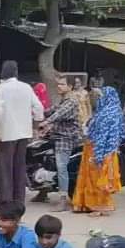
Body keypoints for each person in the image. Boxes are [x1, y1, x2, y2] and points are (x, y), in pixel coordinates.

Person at [0, 61, 45, 206]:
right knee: (19, 167)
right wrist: (36, 124)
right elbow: (38, 107)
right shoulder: (26, 87)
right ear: (16, 72)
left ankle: (5, 203)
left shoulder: (1, 88)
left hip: (7, 134)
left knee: (4, 169)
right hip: (24, 134)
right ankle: (19, 202)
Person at [72, 86, 125, 216]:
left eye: (100, 97)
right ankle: (92, 205)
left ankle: (99, 207)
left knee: (96, 179)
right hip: (107, 151)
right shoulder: (115, 112)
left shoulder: (105, 115)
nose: (97, 99)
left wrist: (98, 155)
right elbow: (121, 134)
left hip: (98, 150)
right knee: (98, 178)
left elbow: (102, 137)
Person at [37, 76, 83, 210]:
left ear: (70, 87)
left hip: (65, 139)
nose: (59, 86)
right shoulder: (63, 100)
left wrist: (46, 122)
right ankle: (42, 192)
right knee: (41, 159)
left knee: (61, 168)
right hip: (56, 136)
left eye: (62, 84)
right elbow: (51, 110)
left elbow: (58, 114)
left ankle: (63, 200)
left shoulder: (71, 101)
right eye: (58, 84)